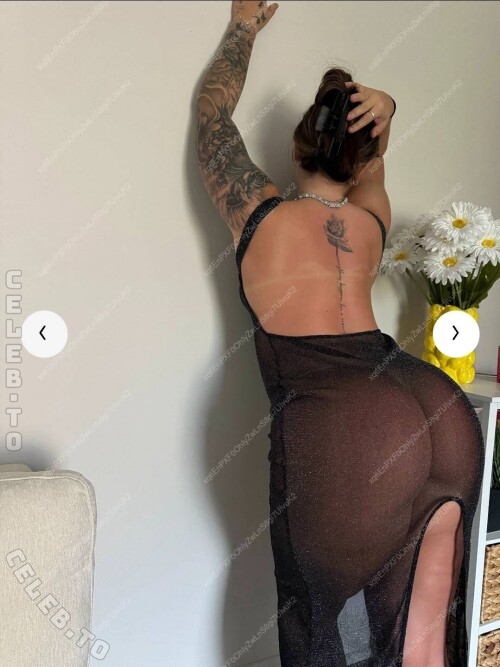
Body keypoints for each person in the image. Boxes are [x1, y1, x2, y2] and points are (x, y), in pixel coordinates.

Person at [195, 2, 485, 665]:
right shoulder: (369, 220)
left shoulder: (256, 211)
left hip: (350, 424)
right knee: (423, 644)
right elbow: (374, 161)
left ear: (298, 147)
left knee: (318, 630)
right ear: (358, 163)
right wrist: (388, 107)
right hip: (437, 407)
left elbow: (211, 117)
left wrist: (243, 27)